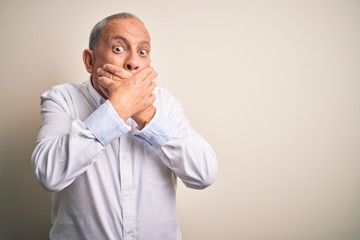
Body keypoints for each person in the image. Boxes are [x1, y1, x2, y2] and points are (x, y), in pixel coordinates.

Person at [31, 12, 217, 240]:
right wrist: (119, 108)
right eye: (119, 48)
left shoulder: (165, 103)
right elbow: (49, 174)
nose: (133, 62)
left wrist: (145, 113)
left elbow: (204, 174)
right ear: (90, 61)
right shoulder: (61, 99)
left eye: (142, 52)